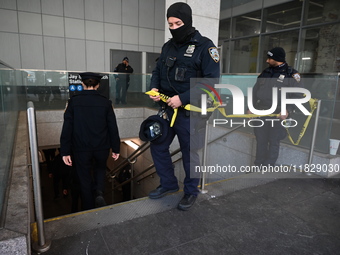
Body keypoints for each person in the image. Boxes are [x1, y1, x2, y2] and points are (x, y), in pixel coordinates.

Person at [147, 2, 220, 211]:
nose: (174, 27)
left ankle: (190, 191)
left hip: (190, 112)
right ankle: (169, 184)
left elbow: (211, 83)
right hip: (167, 109)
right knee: (158, 145)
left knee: (190, 153)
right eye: (170, 23)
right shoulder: (168, 46)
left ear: (187, 21)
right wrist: (154, 89)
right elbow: (157, 72)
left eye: (178, 23)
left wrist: (184, 98)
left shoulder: (205, 47)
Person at [60, 72, 120, 210]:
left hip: (81, 149)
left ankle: (89, 207)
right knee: (100, 169)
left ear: (82, 84)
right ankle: (99, 192)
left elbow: (67, 128)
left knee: (84, 178)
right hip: (102, 147)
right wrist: (116, 149)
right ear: (98, 85)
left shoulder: (73, 102)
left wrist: (65, 151)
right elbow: (113, 127)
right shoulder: (106, 103)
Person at [248, 47, 301, 168]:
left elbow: (298, 95)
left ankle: (268, 166)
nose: (267, 61)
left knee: (273, 141)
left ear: (277, 59)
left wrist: (288, 110)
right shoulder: (265, 73)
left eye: (270, 58)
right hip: (261, 112)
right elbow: (254, 92)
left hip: (278, 114)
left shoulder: (291, 74)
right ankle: (258, 166)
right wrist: (250, 107)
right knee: (260, 140)